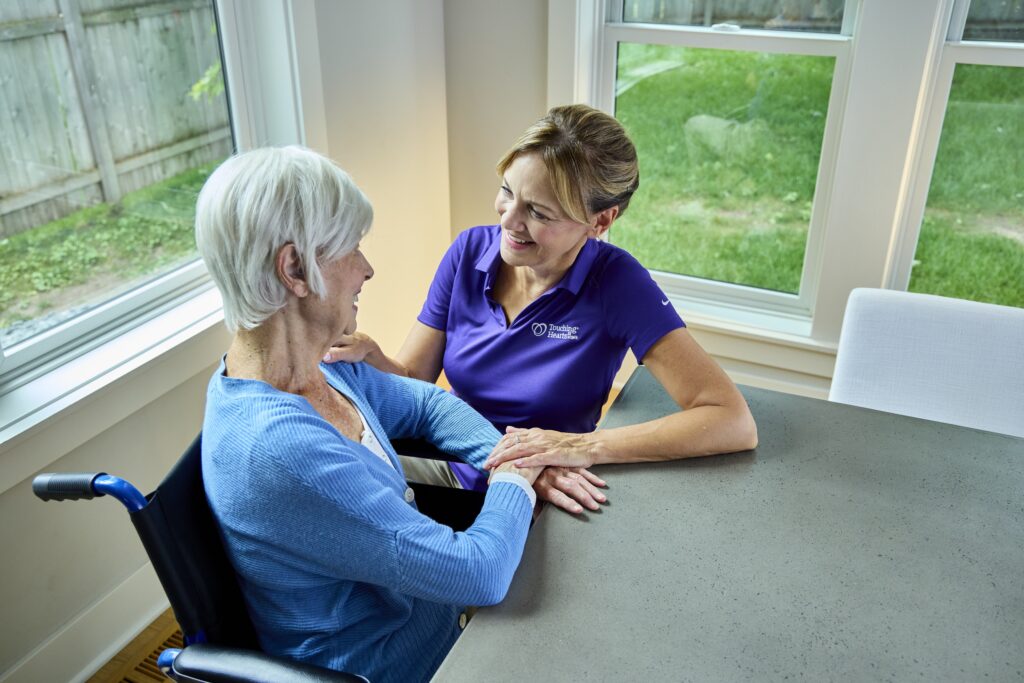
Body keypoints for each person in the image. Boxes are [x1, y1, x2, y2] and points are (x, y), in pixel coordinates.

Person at [195, 146, 544, 683]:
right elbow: (478, 573)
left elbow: (425, 403)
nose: (367, 269)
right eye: (351, 249)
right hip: (398, 669)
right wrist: (518, 473)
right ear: (295, 269)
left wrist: (504, 451)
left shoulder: (318, 363)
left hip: (437, 622)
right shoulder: (281, 451)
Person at [326, 105, 758, 508]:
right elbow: (415, 382)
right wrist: (373, 355)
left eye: (538, 212)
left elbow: (731, 420)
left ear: (601, 220)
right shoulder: (468, 251)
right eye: (507, 191)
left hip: (543, 487)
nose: (508, 220)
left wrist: (579, 446)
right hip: (453, 464)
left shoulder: (617, 282)